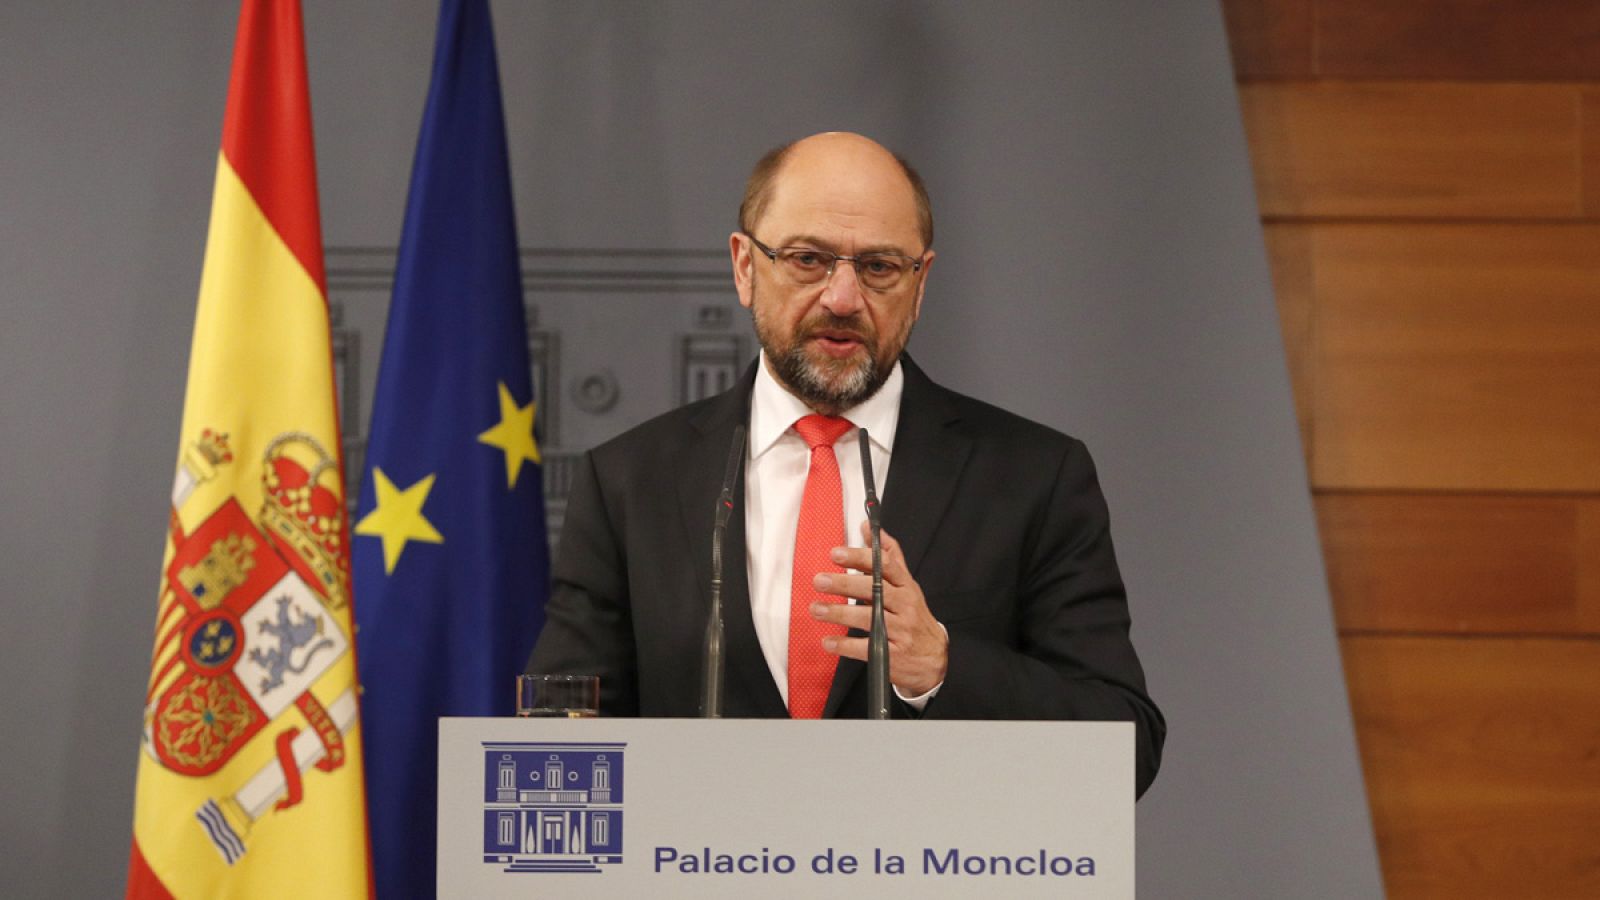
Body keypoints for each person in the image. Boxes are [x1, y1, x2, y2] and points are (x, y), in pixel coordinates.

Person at [528, 131, 1163, 796]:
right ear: (745, 266)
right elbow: (563, 733)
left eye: (880, 268)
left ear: (920, 286)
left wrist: (943, 666)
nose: (842, 297)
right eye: (808, 259)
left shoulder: (1034, 478)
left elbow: (1124, 747)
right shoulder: (632, 481)